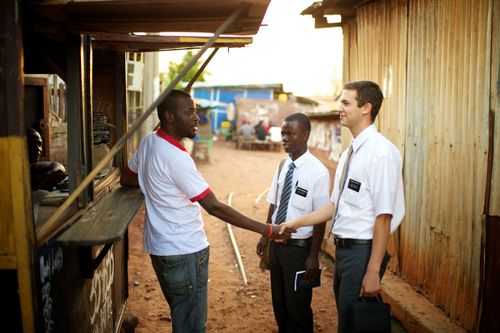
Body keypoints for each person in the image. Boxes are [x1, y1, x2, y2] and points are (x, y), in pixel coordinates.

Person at [119, 89, 291, 333]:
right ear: (169, 116)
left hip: (161, 250)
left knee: (182, 313)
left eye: (195, 111)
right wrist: (266, 229)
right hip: (185, 252)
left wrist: (154, 180)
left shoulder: (150, 142)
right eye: (189, 112)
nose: (197, 118)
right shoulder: (177, 158)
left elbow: (127, 178)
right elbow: (213, 206)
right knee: (190, 326)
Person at [279, 80, 405, 333]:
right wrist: (294, 222)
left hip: (362, 252)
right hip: (345, 253)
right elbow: (333, 206)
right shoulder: (350, 153)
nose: (340, 108)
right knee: (348, 320)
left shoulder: (381, 153)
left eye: (346, 102)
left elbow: (384, 217)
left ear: (366, 108)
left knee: (356, 323)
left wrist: (371, 271)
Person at [256, 113, 330, 333]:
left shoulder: (318, 172)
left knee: (298, 308)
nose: (284, 138)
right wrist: (265, 234)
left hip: (298, 251)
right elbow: (274, 203)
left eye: (290, 133)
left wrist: (312, 255)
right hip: (276, 247)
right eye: (283, 133)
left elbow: (321, 217)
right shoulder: (283, 166)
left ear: (305, 135)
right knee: (279, 305)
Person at [26, 127, 66, 191]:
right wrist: (46, 183)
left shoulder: (32, 166)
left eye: (39, 144)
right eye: (32, 144)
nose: (38, 149)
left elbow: (57, 166)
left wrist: (53, 172)